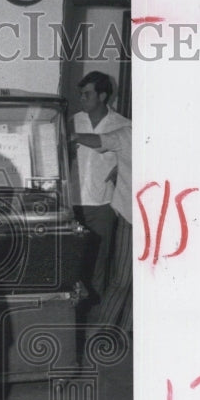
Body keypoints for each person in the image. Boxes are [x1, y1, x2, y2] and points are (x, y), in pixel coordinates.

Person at [70, 72, 131, 314]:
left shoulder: (123, 125)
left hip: (103, 205)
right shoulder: (73, 121)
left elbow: (131, 158)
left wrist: (120, 168)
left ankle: (94, 321)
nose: (82, 99)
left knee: (98, 266)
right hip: (74, 203)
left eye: (87, 94)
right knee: (73, 265)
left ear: (102, 96)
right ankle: (73, 320)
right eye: (81, 94)